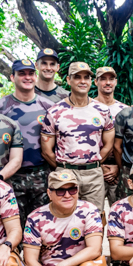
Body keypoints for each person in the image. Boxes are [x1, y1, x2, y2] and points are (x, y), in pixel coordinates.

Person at [41, 61, 115, 212]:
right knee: (65, 218)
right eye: (77, 77)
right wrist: (64, 167)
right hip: (65, 173)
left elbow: (108, 144)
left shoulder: (102, 110)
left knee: (95, 218)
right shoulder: (55, 111)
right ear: (68, 80)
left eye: (86, 77)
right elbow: (46, 150)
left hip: (93, 174)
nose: (82, 81)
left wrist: (93, 162)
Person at [0, 59, 54, 224]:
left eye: (30, 73)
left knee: (43, 226)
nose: (27, 77)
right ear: (12, 77)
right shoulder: (1, 106)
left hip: (41, 175)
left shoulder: (48, 106)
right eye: (22, 73)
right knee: (13, 225)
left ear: (35, 77)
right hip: (12, 176)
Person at [91, 65, 129, 209]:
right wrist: (100, 167)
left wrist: (119, 168)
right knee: (94, 215)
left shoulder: (125, 110)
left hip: (119, 169)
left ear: (116, 82)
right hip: (93, 169)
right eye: (103, 79)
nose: (107, 82)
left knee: (120, 213)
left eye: (111, 79)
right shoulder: (88, 107)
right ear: (96, 82)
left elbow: (128, 143)